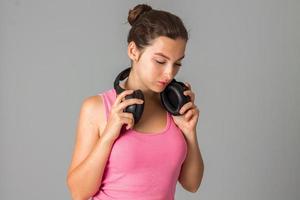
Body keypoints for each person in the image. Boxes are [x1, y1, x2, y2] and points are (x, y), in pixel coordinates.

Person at [66, 4, 204, 200]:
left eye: (177, 63)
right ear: (133, 51)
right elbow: (78, 192)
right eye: (160, 61)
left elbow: (192, 184)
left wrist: (190, 133)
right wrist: (108, 136)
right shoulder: (97, 108)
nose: (169, 73)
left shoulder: (175, 109)